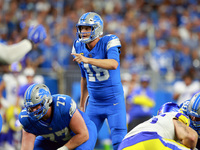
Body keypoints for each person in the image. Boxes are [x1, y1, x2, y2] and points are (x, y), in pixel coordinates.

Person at [71, 12, 127, 150]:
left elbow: (114, 64)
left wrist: (87, 59)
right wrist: (82, 104)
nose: (83, 32)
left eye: (87, 28)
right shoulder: (78, 46)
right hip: (94, 103)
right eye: (82, 28)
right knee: (84, 141)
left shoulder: (109, 41)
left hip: (114, 101)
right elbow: (84, 77)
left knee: (119, 142)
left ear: (97, 29)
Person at [19, 83, 97, 150]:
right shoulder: (27, 119)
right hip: (53, 139)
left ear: (47, 101)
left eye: (37, 106)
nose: (33, 111)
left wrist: (63, 148)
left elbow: (83, 135)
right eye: (31, 108)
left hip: (80, 133)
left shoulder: (63, 106)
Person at [118, 102, 198, 150]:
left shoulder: (152, 122)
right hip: (150, 140)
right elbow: (191, 138)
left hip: (124, 145)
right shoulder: (175, 116)